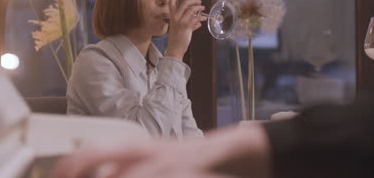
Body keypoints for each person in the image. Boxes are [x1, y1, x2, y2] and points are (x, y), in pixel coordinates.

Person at [66, 0, 206, 138]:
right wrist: (175, 51)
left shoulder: (161, 67)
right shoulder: (95, 62)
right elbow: (141, 138)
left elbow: (192, 141)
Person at [53, 95, 374, 178]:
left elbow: (189, 136)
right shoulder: (96, 62)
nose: (166, 1)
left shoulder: (165, 60)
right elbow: (144, 132)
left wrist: (210, 154)